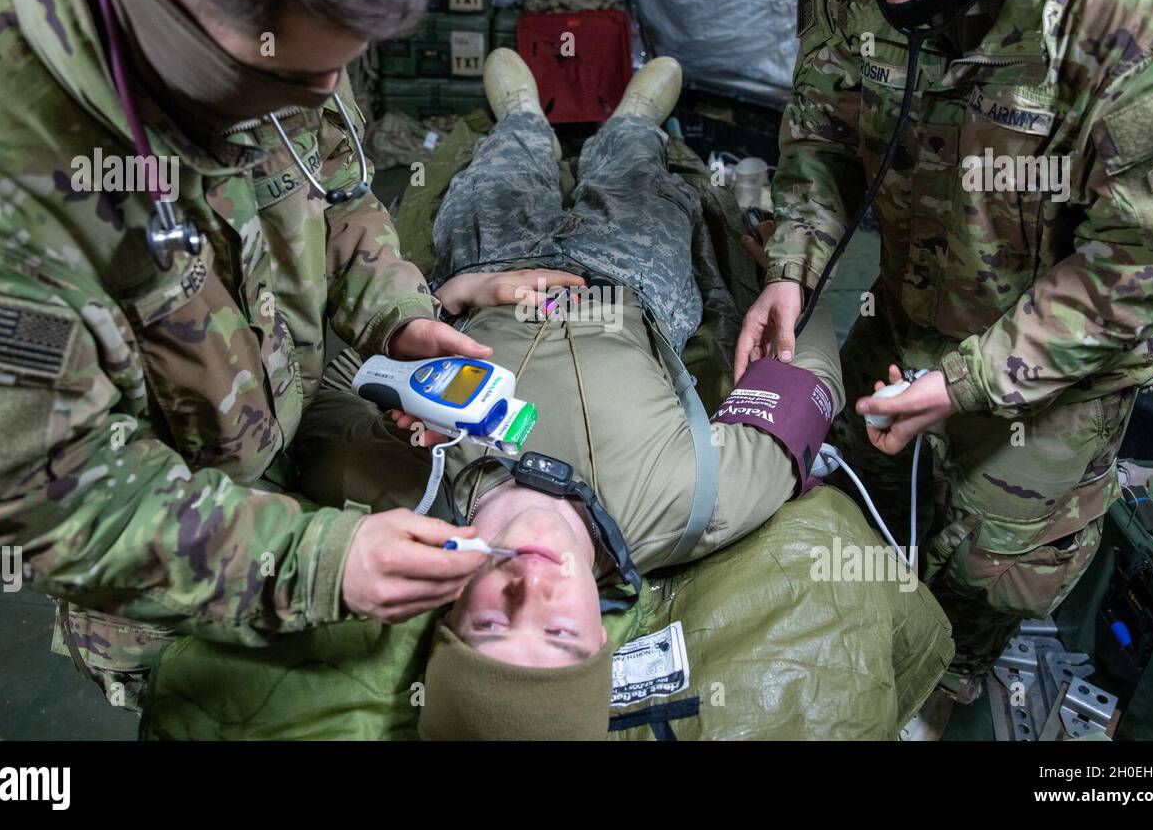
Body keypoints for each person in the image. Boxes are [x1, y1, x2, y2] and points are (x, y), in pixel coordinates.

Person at [0, 0, 493, 710]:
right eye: (299, 79)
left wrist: (396, 316)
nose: (328, 94)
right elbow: (54, 503)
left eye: (342, 67)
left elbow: (334, 189)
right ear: (172, 13)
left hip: (297, 447)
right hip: (176, 586)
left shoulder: (280, 29)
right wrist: (314, 566)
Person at [735, 0, 1153, 716]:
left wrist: (967, 385)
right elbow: (820, 135)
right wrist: (792, 267)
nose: (896, 2)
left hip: (1058, 358)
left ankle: (942, 681)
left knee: (999, 566)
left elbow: (1131, 269)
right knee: (856, 492)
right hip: (906, 306)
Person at [291, 49, 849, 738]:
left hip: (487, 272)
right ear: (603, 636)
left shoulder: (390, 488)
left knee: (498, 174)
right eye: (559, 634)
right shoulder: (685, 503)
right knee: (636, 170)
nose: (533, 586)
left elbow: (319, 383)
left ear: (445, 610)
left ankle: (524, 119)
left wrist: (438, 303)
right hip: (632, 279)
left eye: (492, 622)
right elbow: (803, 386)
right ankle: (637, 120)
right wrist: (793, 289)